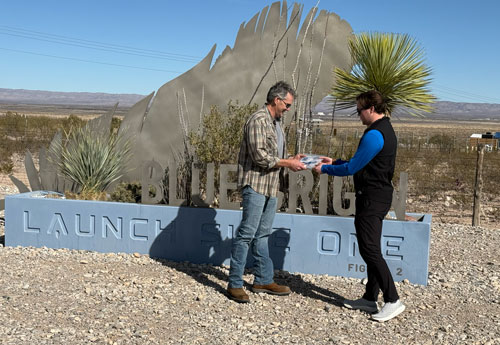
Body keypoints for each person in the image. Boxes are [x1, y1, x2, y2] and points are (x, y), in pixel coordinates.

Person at [313, 90, 405, 322]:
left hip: (372, 198)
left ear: (371, 109)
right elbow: (361, 164)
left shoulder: (374, 135)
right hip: (378, 195)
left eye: (359, 111)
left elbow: (352, 169)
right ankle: (369, 297)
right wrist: (333, 161)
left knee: (369, 249)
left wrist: (324, 169)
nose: (358, 115)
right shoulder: (383, 129)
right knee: (372, 246)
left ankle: (393, 300)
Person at [227, 81, 306, 303]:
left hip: (271, 186)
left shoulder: (275, 123)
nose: (289, 109)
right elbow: (260, 156)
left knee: (262, 234)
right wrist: (287, 163)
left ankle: (263, 278)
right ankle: (234, 283)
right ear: (276, 100)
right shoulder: (258, 120)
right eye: (287, 104)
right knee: (246, 234)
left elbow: (277, 153)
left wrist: (292, 159)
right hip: (256, 185)